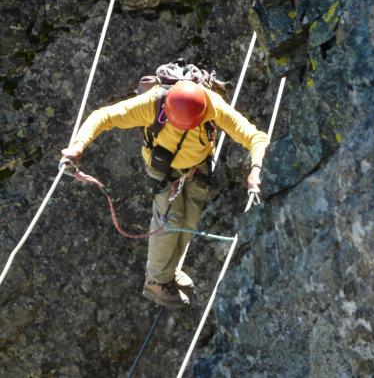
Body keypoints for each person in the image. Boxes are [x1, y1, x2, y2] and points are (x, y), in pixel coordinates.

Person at [61, 80, 269, 308]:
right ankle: (156, 282)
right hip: (163, 170)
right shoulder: (152, 103)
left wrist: (255, 170)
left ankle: (168, 272)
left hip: (196, 168)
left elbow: (255, 137)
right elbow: (104, 116)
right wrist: (78, 146)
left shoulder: (213, 107)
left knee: (188, 222)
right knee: (170, 222)